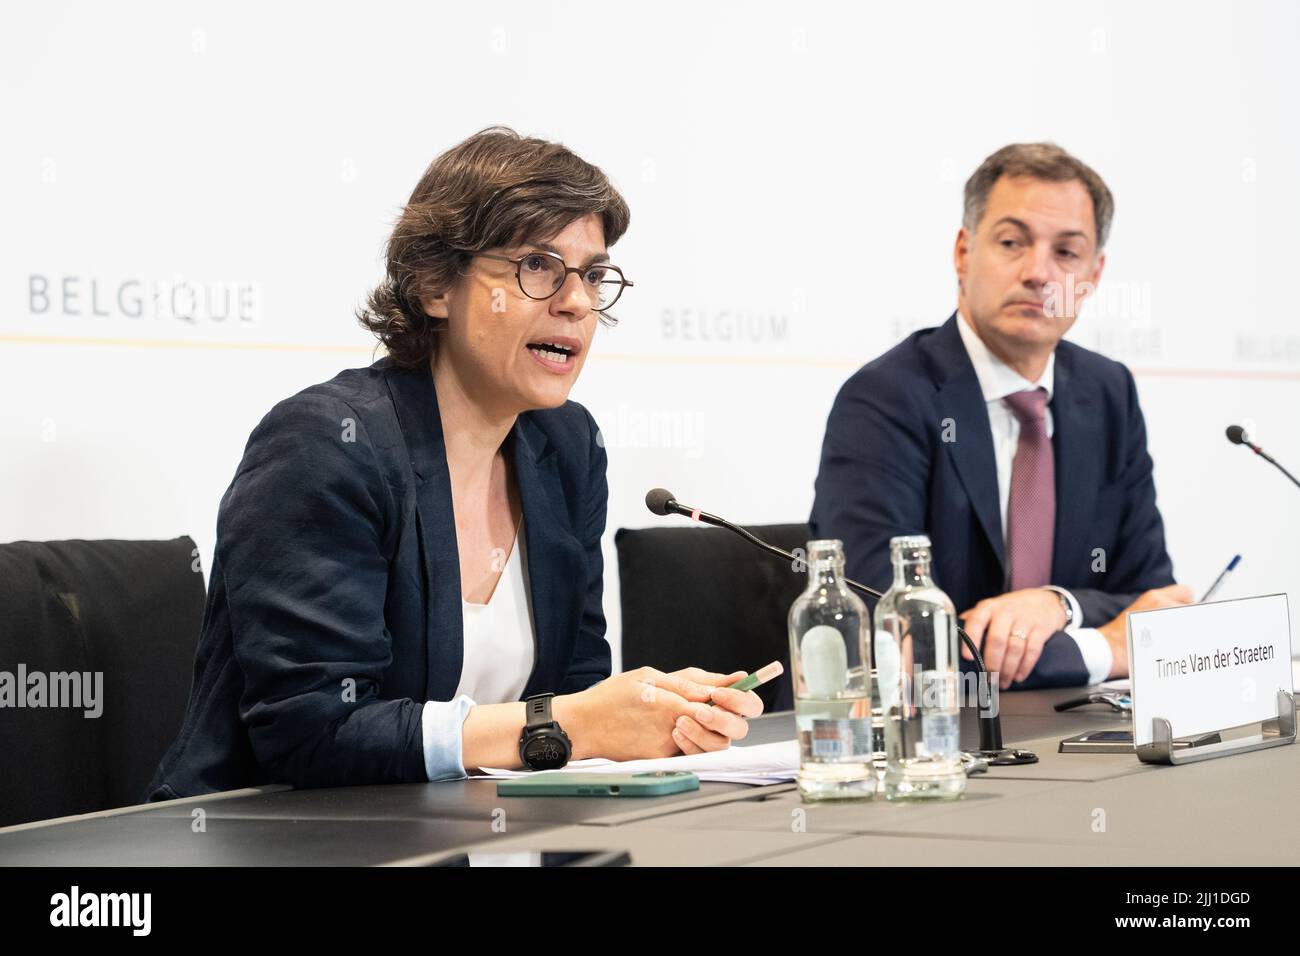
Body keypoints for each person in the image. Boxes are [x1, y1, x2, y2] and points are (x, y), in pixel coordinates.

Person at [146, 127, 762, 799]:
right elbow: (314, 735)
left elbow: (581, 692)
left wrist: (653, 720)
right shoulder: (328, 445)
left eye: (591, 274)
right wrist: (565, 726)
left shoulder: (565, 448)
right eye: (538, 266)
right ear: (437, 285)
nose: (577, 301)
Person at [810, 142, 1192, 691]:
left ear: (1094, 274)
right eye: (1012, 242)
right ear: (963, 253)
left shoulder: (1108, 393)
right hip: (918, 738)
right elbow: (895, 638)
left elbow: (1157, 603)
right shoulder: (884, 400)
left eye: (1066, 253)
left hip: (1062, 736)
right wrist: (1106, 645)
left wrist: (1057, 605)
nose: (1039, 273)